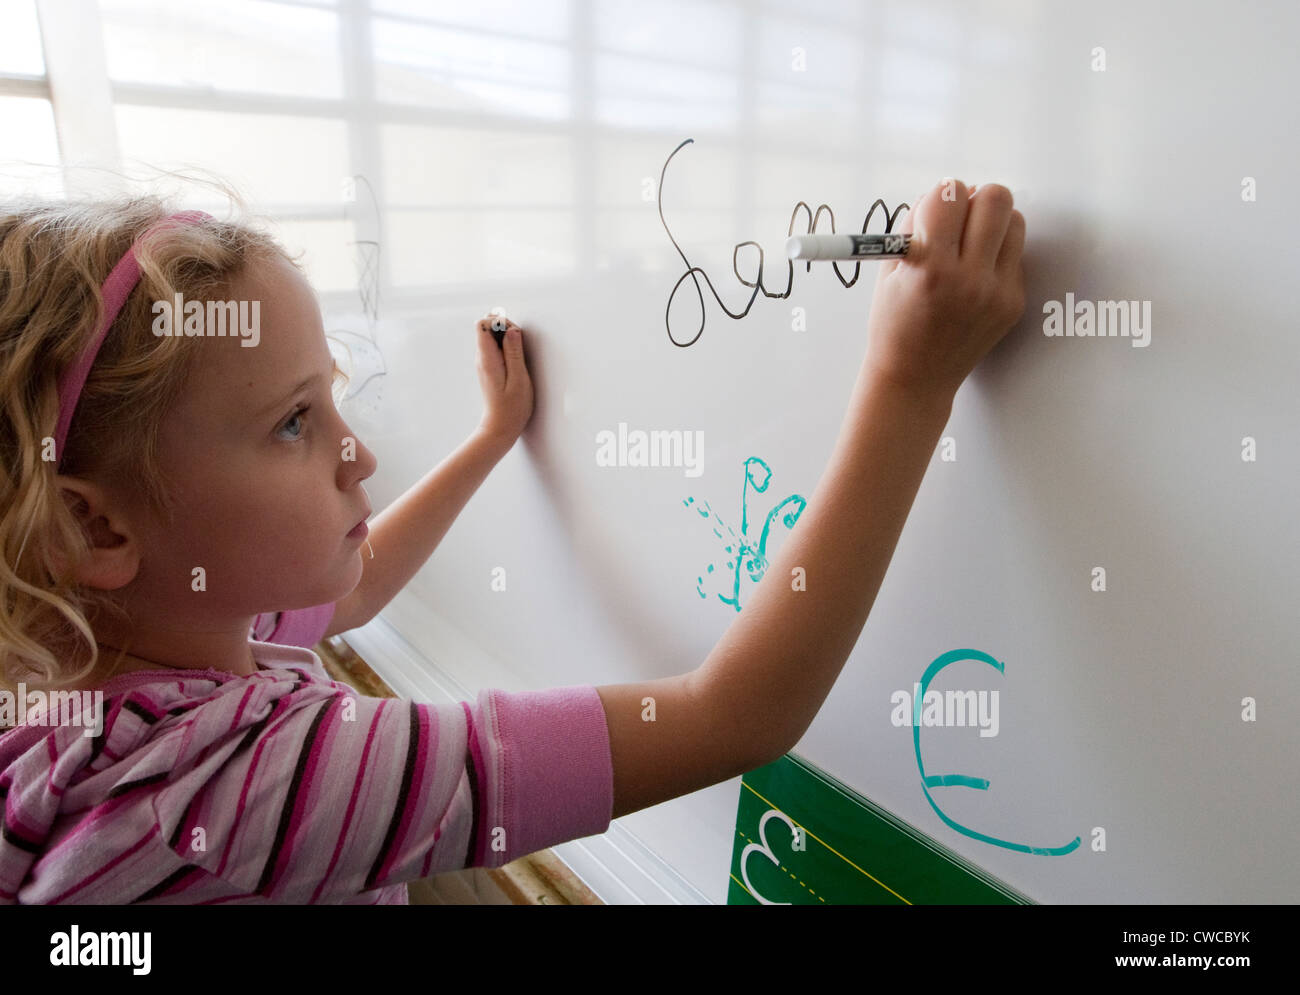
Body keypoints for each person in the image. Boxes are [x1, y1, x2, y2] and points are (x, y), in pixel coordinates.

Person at [0, 178, 1024, 903]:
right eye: (292, 423)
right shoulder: (242, 786)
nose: (355, 454)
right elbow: (736, 713)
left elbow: (347, 595)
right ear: (98, 523)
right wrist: (912, 380)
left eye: (331, 398)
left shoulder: (115, 645)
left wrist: (492, 438)